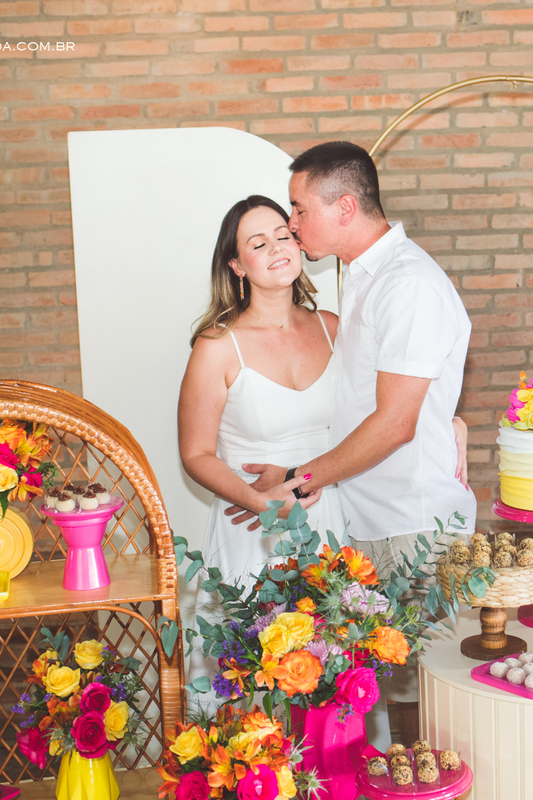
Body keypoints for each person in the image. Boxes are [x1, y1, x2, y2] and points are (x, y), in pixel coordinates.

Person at [241, 141, 477, 744]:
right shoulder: (361, 273)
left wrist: (300, 481)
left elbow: (394, 423)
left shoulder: (408, 284)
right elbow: (363, 403)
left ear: (345, 207)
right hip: (375, 516)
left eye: (298, 210)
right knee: (396, 697)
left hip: (414, 523)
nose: (291, 226)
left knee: (436, 703)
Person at [176, 194, 341, 700]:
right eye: (257, 242)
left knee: (337, 669)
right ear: (236, 265)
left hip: (333, 517)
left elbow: (379, 417)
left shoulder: (334, 328)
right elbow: (195, 453)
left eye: (283, 235)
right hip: (253, 531)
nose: (276, 248)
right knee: (249, 680)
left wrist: (454, 422)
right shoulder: (218, 344)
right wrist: (261, 503)